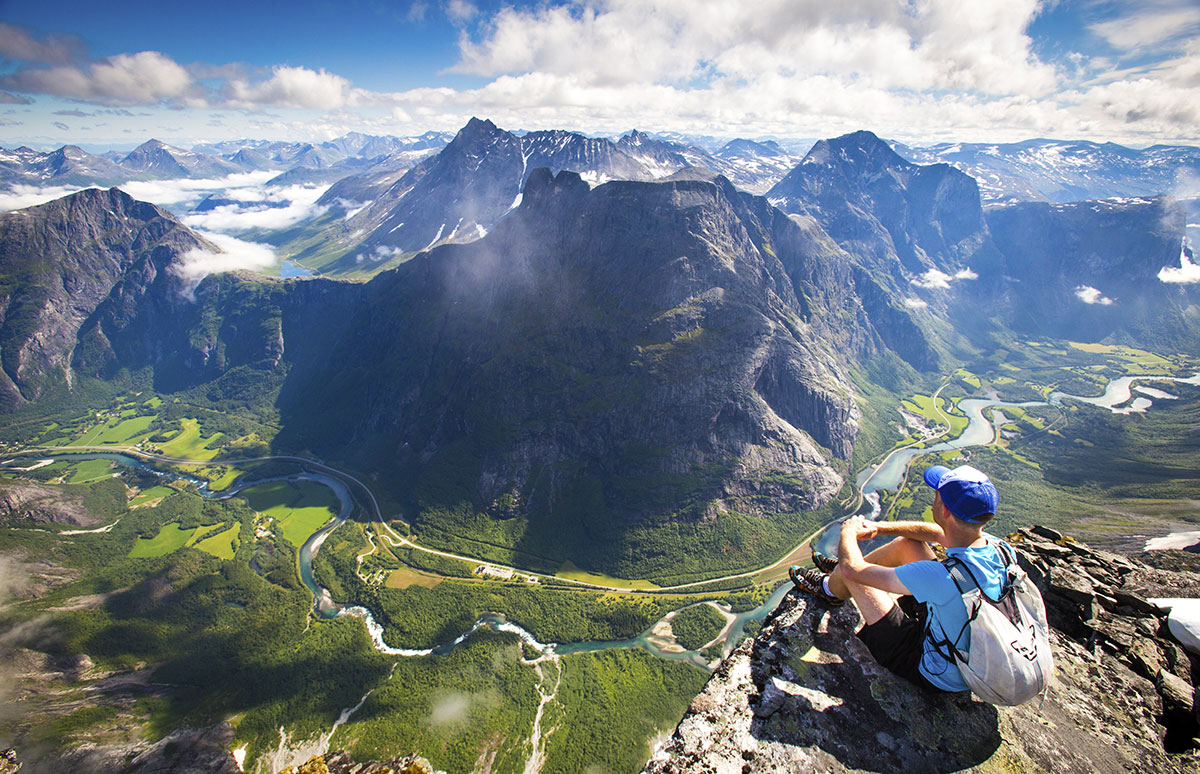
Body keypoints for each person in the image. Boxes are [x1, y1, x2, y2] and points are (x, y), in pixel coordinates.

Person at [789, 464, 1007, 694]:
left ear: (944, 511)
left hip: (930, 666)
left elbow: (854, 569)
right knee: (907, 545)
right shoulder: (995, 547)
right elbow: (933, 533)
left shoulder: (938, 577)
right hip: (957, 639)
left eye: (936, 495)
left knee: (850, 574)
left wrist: (848, 533)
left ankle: (830, 588)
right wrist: (878, 527)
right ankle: (838, 575)